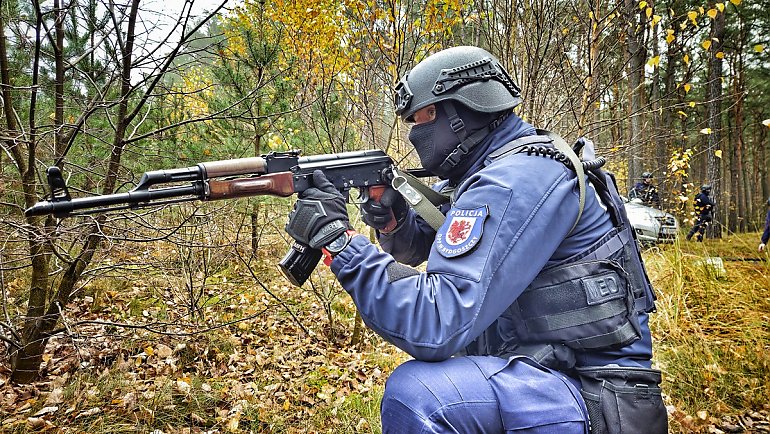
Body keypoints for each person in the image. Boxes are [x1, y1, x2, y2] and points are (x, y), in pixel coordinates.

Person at [285, 46, 667, 433]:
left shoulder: (516, 180)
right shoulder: (482, 173)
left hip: (594, 396)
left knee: (419, 396)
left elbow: (436, 323)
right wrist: (394, 222)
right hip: (542, 371)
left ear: (464, 112)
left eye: (425, 117)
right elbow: (430, 249)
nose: (416, 132)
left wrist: (340, 241)